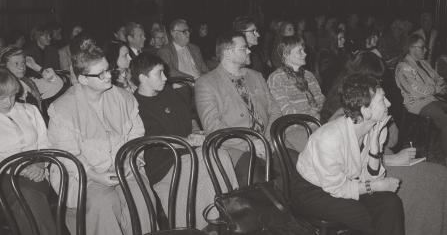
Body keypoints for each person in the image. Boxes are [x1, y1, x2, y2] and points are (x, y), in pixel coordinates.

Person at [322, 52, 447, 235]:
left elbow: (393, 138)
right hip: (369, 174)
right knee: (437, 181)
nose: (379, 85)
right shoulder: (344, 112)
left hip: (383, 161)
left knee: (442, 178)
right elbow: (349, 165)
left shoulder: (371, 99)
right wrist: (391, 159)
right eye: (376, 80)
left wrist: (382, 117)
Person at [47, 40, 154, 235]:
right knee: (104, 203)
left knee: (142, 197)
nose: (108, 76)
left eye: (108, 69)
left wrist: (128, 162)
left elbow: (136, 135)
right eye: (100, 73)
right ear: (83, 79)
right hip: (82, 175)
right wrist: (94, 175)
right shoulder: (62, 109)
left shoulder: (124, 98)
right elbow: (66, 155)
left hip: (124, 168)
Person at [131, 52, 238, 229]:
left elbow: (190, 119)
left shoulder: (168, 93)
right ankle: (209, 224)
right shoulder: (136, 106)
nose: (165, 77)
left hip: (188, 152)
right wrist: (190, 140)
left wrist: (198, 132)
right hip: (164, 164)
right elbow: (156, 142)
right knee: (205, 167)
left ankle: (228, 217)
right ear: (143, 78)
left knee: (221, 156)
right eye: (159, 73)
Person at [292, 73, 404, 235]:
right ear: (365, 111)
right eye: (382, 100)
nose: (389, 103)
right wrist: (375, 186)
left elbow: (372, 178)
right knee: (371, 218)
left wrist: (374, 148)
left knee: (390, 202)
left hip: (348, 181)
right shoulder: (329, 139)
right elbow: (338, 187)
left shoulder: (379, 128)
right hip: (312, 190)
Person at [195, 31, 281, 184]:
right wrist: (250, 144)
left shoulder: (256, 76)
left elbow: (274, 110)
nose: (249, 51)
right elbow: (213, 126)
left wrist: (267, 140)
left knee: (295, 166)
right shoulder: (206, 83)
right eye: (243, 48)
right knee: (256, 178)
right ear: (228, 53)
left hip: (266, 141)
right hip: (235, 147)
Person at [395, 34, 447, 171]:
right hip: (418, 104)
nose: (426, 50)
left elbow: (438, 77)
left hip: (434, 99)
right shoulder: (403, 67)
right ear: (411, 48)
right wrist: (437, 88)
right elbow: (416, 90)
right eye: (422, 47)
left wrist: (443, 86)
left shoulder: (424, 63)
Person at [0, 67, 56, 235]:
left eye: (11, 95)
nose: (8, 102)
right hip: (5, 175)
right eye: (1, 97)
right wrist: (19, 169)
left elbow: (45, 142)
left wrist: (40, 164)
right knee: (24, 197)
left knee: (25, 196)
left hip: (38, 172)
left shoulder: (30, 110)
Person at [267, 35, 325, 152]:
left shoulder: (309, 75)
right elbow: (285, 111)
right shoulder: (277, 78)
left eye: (304, 50)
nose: (305, 54)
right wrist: (311, 114)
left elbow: (321, 99)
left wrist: (317, 111)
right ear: (286, 54)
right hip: (293, 129)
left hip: (316, 123)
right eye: (300, 51)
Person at [1, 46, 64, 116]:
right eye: (16, 64)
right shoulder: (2, 89)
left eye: (23, 62)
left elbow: (57, 84)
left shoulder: (29, 83)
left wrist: (36, 67)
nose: (22, 67)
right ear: (4, 67)